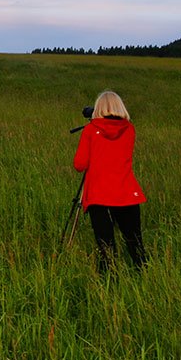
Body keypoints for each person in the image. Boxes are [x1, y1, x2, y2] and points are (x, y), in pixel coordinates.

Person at [73, 90, 147, 272]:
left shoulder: (91, 130)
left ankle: (108, 282)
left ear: (98, 109)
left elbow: (80, 164)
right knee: (135, 243)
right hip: (127, 193)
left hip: (99, 196)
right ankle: (144, 274)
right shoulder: (129, 129)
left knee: (106, 246)